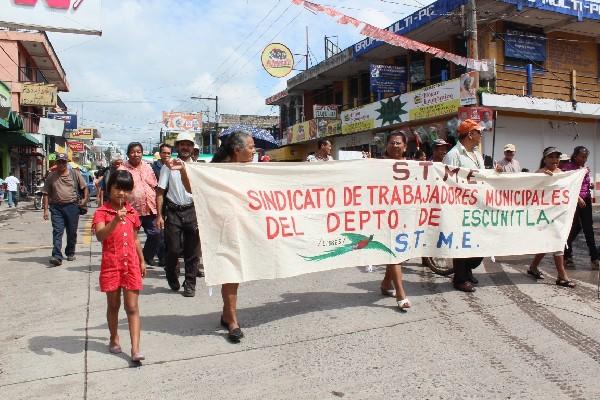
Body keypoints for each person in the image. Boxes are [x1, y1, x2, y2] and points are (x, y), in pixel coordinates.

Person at [92, 170, 146, 362]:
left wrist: (141, 260)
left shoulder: (132, 213)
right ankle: (114, 337)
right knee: (113, 305)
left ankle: (135, 349)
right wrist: (115, 219)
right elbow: (100, 236)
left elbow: (135, 239)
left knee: (132, 307)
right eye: (117, 188)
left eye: (125, 190)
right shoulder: (101, 213)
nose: (121, 193)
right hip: (111, 265)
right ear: (109, 189)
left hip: (130, 265)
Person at [210, 130, 256, 342]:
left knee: (235, 273)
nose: (254, 151)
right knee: (229, 272)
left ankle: (227, 314)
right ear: (237, 150)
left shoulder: (251, 171)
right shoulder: (216, 171)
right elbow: (193, 188)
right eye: (251, 147)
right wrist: (184, 172)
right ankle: (232, 321)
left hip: (243, 226)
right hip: (221, 226)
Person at [156, 132, 202, 297]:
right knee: (173, 249)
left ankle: (190, 284)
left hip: (192, 211)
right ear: (177, 146)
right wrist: (159, 216)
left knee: (192, 251)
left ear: (192, 147)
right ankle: (171, 273)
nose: (185, 147)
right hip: (173, 212)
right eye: (182, 144)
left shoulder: (198, 167)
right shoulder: (167, 167)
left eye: (188, 144)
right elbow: (160, 191)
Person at [443, 119, 485, 292]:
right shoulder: (453, 155)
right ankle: (460, 279)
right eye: (478, 132)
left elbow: (482, 176)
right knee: (461, 242)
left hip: (478, 205)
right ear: (470, 134)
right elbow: (446, 180)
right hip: (459, 205)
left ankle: (467, 270)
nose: (481, 135)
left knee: (478, 244)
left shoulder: (477, 154)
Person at [527, 147, 576, 288]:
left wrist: (577, 197)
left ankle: (533, 267)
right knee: (557, 242)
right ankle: (562, 276)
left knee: (549, 242)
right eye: (551, 157)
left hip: (558, 214)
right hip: (544, 214)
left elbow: (567, 188)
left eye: (557, 157)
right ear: (545, 159)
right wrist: (543, 179)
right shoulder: (540, 173)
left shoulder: (561, 173)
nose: (555, 160)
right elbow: (528, 189)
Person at [380, 132, 411, 310]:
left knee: (400, 252)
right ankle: (400, 293)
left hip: (404, 215)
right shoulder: (377, 165)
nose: (395, 145)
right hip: (383, 216)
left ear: (405, 146)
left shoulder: (412, 166)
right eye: (392, 143)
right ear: (386, 146)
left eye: (399, 143)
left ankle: (385, 284)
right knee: (393, 250)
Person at [42, 153, 89, 266]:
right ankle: (57, 256)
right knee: (57, 231)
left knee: (71, 232)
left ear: (66, 163)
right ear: (56, 163)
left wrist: (84, 200)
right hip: (56, 208)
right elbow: (46, 193)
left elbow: (84, 188)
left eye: (63, 161)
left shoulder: (75, 173)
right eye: (59, 161)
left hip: (72, 206)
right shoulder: (51, 176)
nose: (61, 164)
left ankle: (70, 252)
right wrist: (45, 210)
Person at [119, 142, 161, 266]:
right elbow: (117, 190)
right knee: (131, 238)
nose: (136, 154)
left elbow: (155, 185)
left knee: (156, 235)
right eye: (132, 152)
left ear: (142, 153)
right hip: (131, 210)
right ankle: (132, 262)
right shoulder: (122, 169)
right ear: (128, 154)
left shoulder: (148, 167)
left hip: (149, 208)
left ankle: (146, 256)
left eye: (138, 152)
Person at [562, 146, 599, 270]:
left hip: (586, 200)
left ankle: (594, 258)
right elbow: (567, 186)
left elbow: (584, 184)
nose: (584, 159)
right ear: (575, 155)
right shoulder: (568, 168)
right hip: (573, 201)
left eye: (586, 157)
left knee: (588, 229)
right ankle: (566, 254)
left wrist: (590, 185)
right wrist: (577, 197)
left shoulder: (584, 168)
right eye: (582, 157)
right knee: (573, 228)